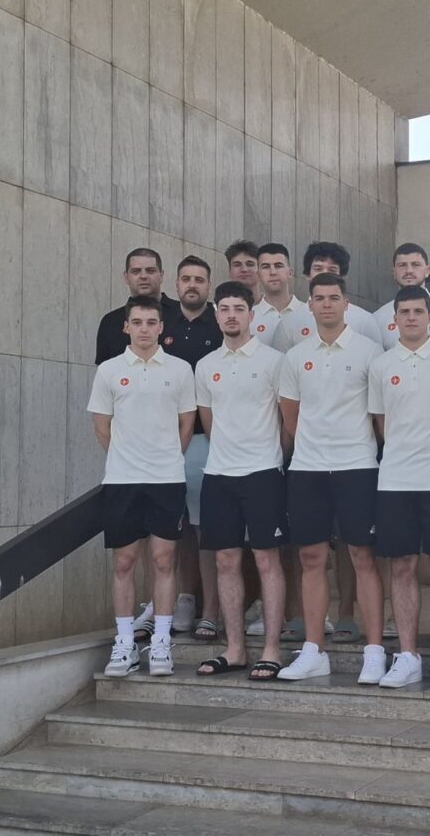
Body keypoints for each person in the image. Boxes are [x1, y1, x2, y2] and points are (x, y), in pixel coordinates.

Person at [277, 273, 386, 682]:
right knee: (311, 558)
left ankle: (374, 651)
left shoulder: (369, 352)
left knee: (362, 557)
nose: (326, 304)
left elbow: (379, 414)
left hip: (357, 465)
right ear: (310, 305)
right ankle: (313, 650)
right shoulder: (295, 356)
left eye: (333, 297)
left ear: (346, 303)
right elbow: (291, 416)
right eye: (319, 298)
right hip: (308, 468)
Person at [87, 295, 196, 677]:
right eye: (137, 322)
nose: (144, 329)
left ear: (161, 327)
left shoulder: (180, 370)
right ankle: (124, 644)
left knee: (164, 560)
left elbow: (186, 424)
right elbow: (102, 427)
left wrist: (165, 458)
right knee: (124, 561)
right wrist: (128, 460)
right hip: (122, 480)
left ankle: (161, 642)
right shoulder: (109, 371)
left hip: (166, 479)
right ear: (126, 327)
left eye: (151, 322)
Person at [368, 286, 430, 690]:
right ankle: (407, 656)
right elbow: (381, 423)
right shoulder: (381, 365)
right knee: (402, 566)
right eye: (404, 311)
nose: (411, 317)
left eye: (417, 311)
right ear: (394, 319)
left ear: (429, 317)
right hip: (395, 481)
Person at [194, 281, 289, 680]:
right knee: (225, 560)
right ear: (216, 315)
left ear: (252, 316)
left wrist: (272, 458)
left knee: (267, 559)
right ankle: (234, 649)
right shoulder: (205, 366)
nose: (231, 315)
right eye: (225, 309)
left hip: (264, 472)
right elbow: (209, 421)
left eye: (238, 309)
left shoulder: (274, 361)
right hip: (219, 474)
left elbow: (286, 421)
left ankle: (271, 649)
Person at [160, 256, 223, 639]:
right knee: (176, 527)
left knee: (205, 528)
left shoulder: (220, 323)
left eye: (199, 279)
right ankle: (184, 598)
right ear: (177, 284)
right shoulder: (163, 325)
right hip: (164, 443)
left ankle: (211, 609)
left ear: (208, 285)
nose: (192, 285)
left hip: (205, 440)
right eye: (186, 279)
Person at [272, 241, 383, 350]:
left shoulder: (364, 321)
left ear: (343, 277)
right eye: (318, 269)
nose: (325, 274)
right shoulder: (289, 323)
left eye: (332, 270)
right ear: (307, 275)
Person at [95, 248, 179, 365]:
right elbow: (104, 370)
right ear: (126, 277)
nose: (143, 276)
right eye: (136, 271)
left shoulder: (181, 315)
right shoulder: (110, 322)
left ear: (161, 275)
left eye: (150, 271)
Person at [374, 243, 430, 349]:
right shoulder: (378, 318)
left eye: (415, 265)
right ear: (394, 273)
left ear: (427, 271)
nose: (409, 271)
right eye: (402, 265)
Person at [252, 242, 306, 346]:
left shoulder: (309, 313)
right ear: (258, 274)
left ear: (290, 272)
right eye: (266, 267)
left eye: (278, 266)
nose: (273, 272)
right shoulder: (249, 318)